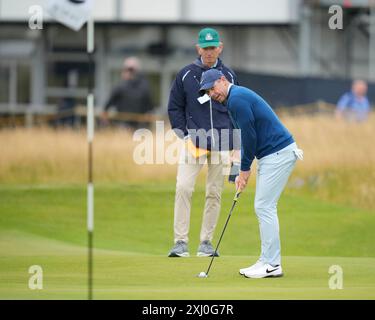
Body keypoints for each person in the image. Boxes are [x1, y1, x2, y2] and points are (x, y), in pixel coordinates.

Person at [199, 69, 303, 278]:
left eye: (213, 88)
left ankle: (272, 264)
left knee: (264, 206)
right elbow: (244, 137)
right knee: (264, 206)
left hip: (278, 152)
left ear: (222, 80)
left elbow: (250, 137)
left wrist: (245, 170)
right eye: (208, 91)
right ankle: (266, 260)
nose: (212, 93)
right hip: (272, 154)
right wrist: (239, 169)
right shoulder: (232, 100)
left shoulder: (236, 99)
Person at [167, 27, 240, 258]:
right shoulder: (186, 74)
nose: (209, 52)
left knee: (214, 192)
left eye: (213, 47)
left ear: (220, 48)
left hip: (222, 142)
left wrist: (236, 144)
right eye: (205, 48)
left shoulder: (228, 75)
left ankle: (206, 243)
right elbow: (175, 107)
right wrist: (184, 134)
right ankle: (180, 242)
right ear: (198, 48)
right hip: (194, 141)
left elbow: (235, 110)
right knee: (183, 187)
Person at [101, 57, 154, 129]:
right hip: (138, 128)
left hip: (126, 127)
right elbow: (150, 108)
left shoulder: (121, 86)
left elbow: (107, 106)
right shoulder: (145, 86)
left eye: (127, 70)